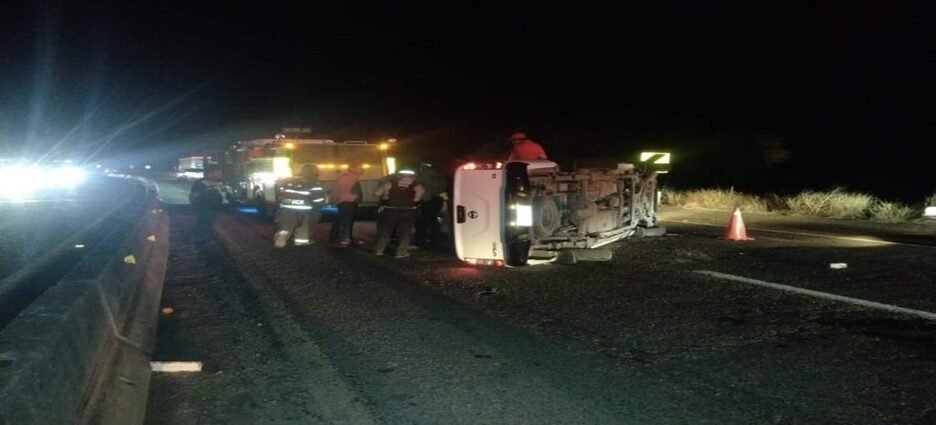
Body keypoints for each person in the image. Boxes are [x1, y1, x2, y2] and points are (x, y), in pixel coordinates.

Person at [372, 170, 425, 258]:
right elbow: (417, 199)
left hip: (390, 211)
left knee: (385, 231)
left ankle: (379, 250)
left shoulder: (389, 184)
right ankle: (401, 252)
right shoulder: (418, 186)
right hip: (408, 212)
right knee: (405, 233)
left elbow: (376, 194)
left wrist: (386, 195)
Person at [274, 164, 326, 248]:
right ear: (314, 172)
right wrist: (320, 205)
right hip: (304, 209)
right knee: (303, 225)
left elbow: (281, 192)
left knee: (286, 224)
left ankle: (282, 234)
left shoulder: (291, 180)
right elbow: (317, 198)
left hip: (286, 207)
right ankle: (301, 240)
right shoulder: (314, 182)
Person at [414, 162, 448, 248]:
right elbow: (443, 188)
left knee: (422, 222)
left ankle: (421, 241)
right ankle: (435, 241)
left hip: (427, 201)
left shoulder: (423, 176)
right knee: (433, 221)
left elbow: (415, 184)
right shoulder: (440, 177)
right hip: (437, 200)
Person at [188, 164, 225, 243]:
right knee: (203, 223)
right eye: (217, 172)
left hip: (214, 209)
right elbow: (193, 197)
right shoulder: (199, 184)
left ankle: (204, 237)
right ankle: (199, 238)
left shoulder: (221, 184)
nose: (220, 174)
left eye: (220, 173)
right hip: (203, 209)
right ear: (210, 173)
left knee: (209, 223)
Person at [329, 165, 363, 247]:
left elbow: (335, 189)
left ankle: (335, 238)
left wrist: (334, 199)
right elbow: (356, 191)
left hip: (342, 202)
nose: (361, 169)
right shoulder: (352, 178)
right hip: (349, 201)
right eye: (359, 168)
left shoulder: (344, 178)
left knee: (340, 220)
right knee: (347, 221)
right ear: (352, 169)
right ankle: (346, 239)